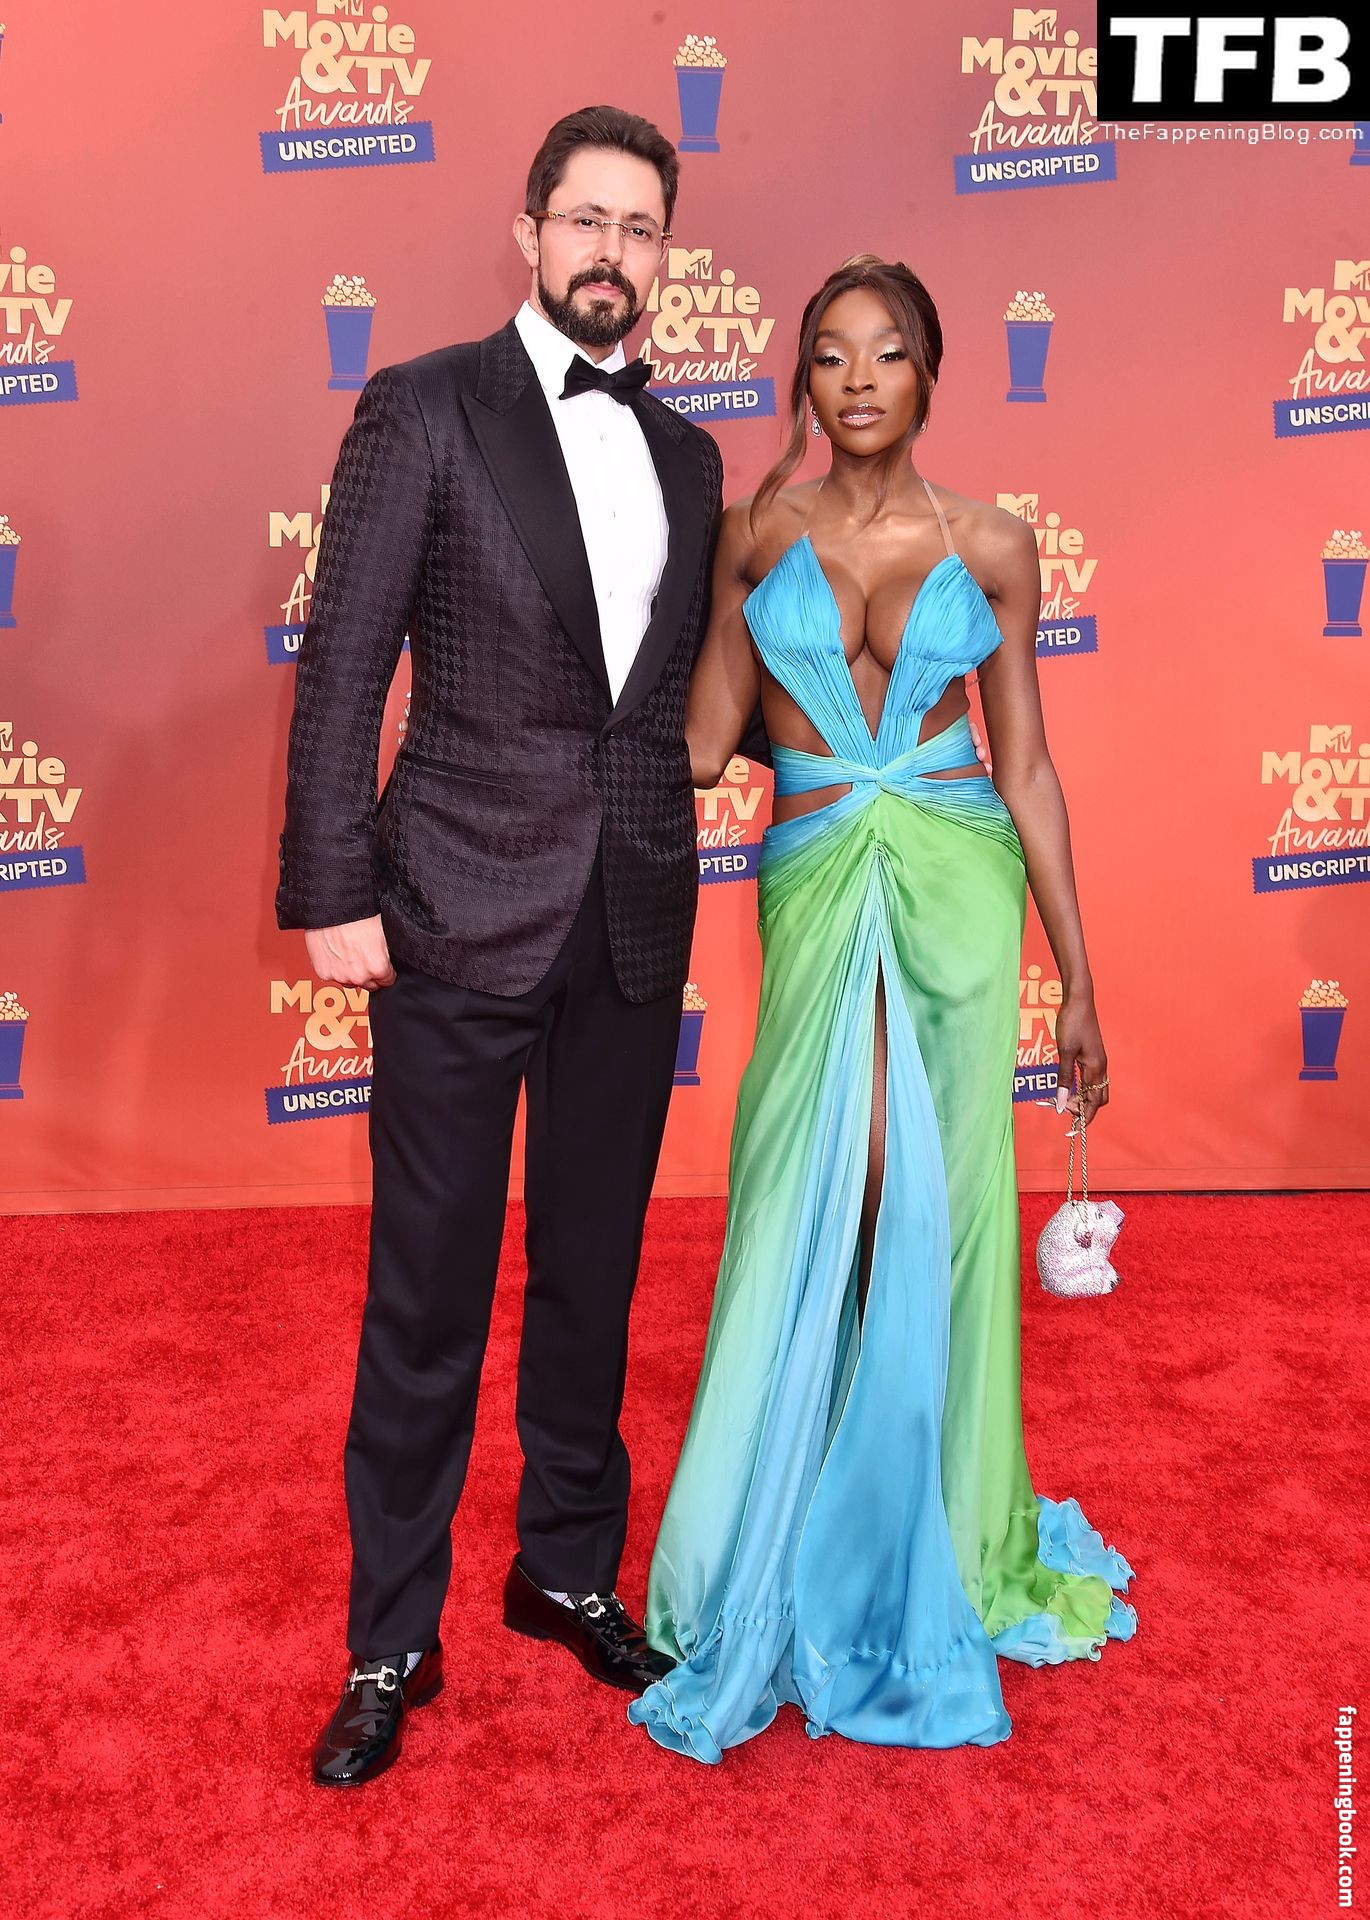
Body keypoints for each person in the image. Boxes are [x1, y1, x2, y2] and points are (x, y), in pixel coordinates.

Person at [276, 105, 735, 1787]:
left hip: (629, 918)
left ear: (665, 256)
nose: (613, 252)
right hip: (451, 910)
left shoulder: (690, 458)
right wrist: (330, 890)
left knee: (593, 1274)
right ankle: (389, 1636)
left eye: (642, 227)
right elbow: (345, 663)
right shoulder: (423, 407)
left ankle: (563, 1569)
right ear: (529, 231)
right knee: (426, 1296)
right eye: (586, 219)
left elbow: (684, 702)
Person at [628, 255, 1137, 1764]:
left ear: (930, 376)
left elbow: (1025, 763)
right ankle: (791, 1519)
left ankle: (930, 1524)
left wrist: (1077, 976)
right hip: (813, 869)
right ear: (801, 378)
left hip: (958, 873)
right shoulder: (752, 533)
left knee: (938, 1203)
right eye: (832, 354)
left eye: (888, 352)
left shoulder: (992, 543)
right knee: (821, 1190)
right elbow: (703, 741)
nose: (858, 378)